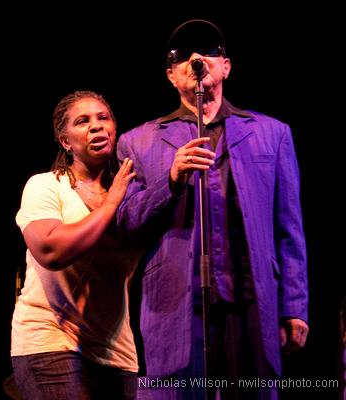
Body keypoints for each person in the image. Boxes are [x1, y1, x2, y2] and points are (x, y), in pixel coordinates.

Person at [116, 19, 309, 399]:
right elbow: (126, 223)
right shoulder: (137, 141)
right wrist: (169, 179)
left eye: (208, 52)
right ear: (171, 76)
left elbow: (289, 228)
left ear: (226, 67)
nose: (196, 59)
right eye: (183, 56)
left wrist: (295, 306)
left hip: (252, 301)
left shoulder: (272, 133)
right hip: (176, 303)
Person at [11, 90, 142, 399]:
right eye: (82, 121)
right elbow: (50, 251)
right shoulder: (46, 185)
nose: (96, 126)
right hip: (51, 340)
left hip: (117, 353)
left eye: (103, 118)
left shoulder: (133, 193)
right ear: (65, 141)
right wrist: (110, 204)